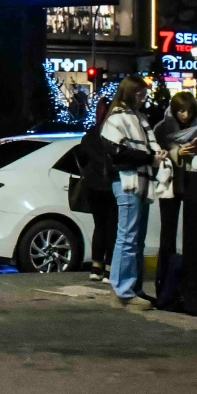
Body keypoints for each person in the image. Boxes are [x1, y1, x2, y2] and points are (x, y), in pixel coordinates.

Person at [101, 76, 167, 307]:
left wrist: (152, 157)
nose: (144, 97)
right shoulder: (121, 118)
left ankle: (131, 288)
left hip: (135, 181)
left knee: (134, 239)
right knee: (129, 238)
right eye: (140, 93)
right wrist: (151, 158)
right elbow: (117, 153)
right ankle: (124, 291)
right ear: (130, 93)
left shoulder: (133, 118)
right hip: (129, 181)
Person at [152, 91, 197, 309]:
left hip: (192, 184)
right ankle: (165, 289)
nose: (185, 115)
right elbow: (157, 153)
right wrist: (178, 152)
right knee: (167, 236)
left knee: (193, 234)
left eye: (188, 110)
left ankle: (189, 286)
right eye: (180, 110)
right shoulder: (163, 127)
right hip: (171, 184)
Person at [73, 97, 118, 283]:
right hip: (110, 185)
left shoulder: (90, 134)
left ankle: (96, 267)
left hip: (92, 185)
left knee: (99, 226)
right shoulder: (113, 133)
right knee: (112, 227)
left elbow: (82, 157)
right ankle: (108, 269)